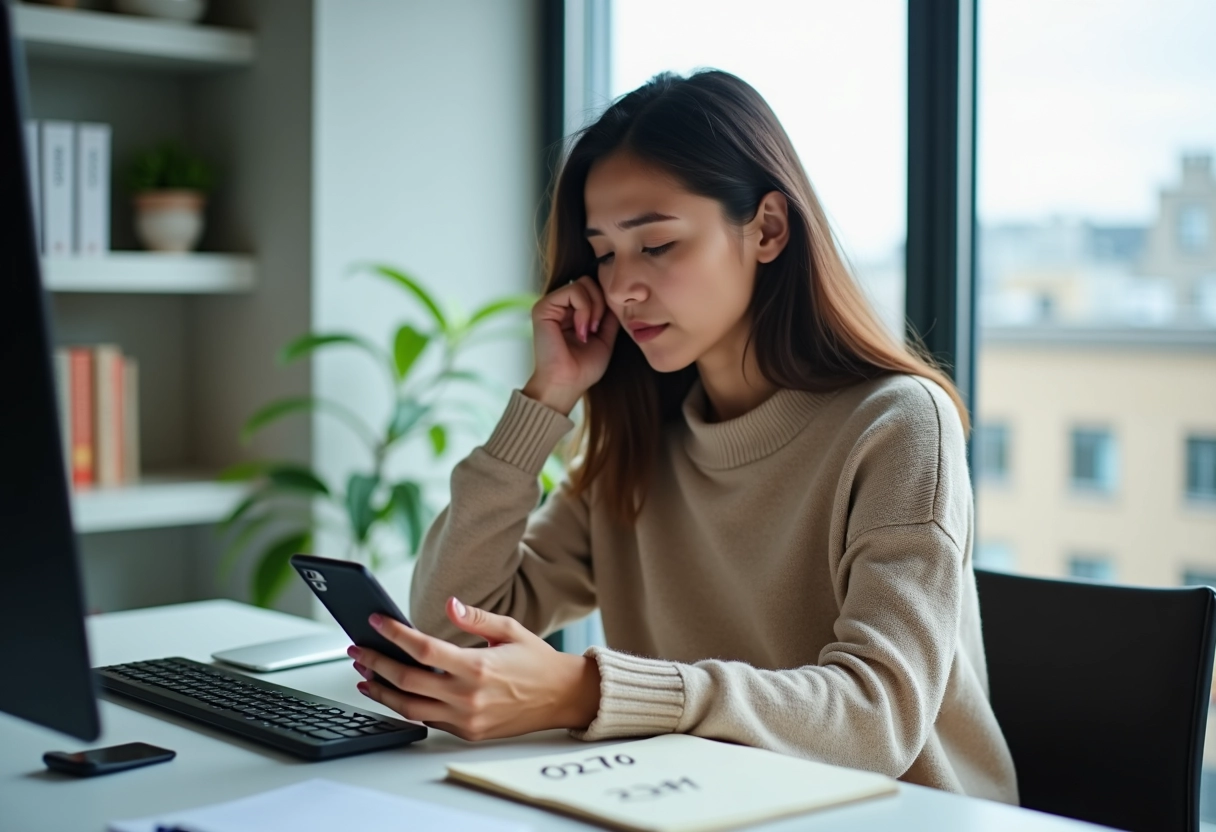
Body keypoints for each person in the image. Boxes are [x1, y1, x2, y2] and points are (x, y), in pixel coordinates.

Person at [346, 70, 1018, 804]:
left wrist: (590, 691)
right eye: (603, 253)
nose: (622, 286)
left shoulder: (897, 424)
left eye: (656, 244)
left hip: (900, 819)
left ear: (767, 229)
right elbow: (456, 629)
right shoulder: (642, 444)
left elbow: (877, 718)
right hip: (706, 805)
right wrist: (548, 399)